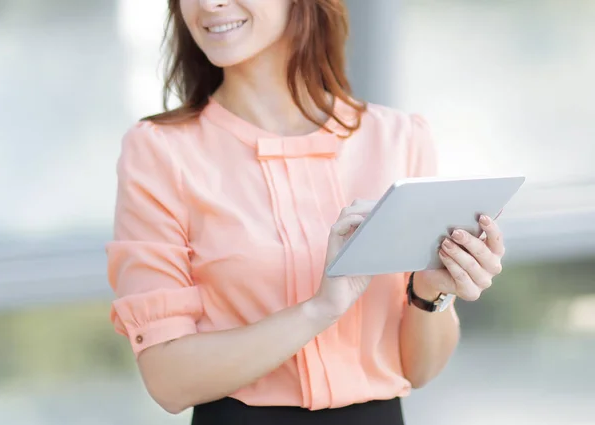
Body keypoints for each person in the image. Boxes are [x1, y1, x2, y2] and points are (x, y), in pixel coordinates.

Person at [106, 1, 507, 424]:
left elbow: (419, 370)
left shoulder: (399, 139)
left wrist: (430, 292)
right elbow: (169, 381)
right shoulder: (160, 151)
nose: (209, 4)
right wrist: (318, 309)